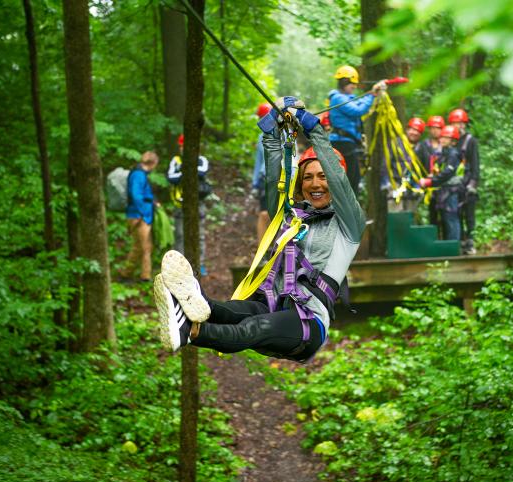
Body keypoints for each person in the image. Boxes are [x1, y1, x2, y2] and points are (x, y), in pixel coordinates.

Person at [153, 99, 366, 362]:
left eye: (323, 176)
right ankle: (187, 302)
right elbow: (272, 182)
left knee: (253, 328)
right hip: (272, 304)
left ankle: (191, 332)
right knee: (226, 310)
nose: (315, 183)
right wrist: (271, 135)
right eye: (308, 177)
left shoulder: (349, 226)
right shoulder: (293, 218)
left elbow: (339, 181)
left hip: (307, 323)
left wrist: (315, 131)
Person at [328, 65, 386, 194]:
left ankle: (349, 208)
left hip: (347, 143)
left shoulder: (345, 98)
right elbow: (357, 110)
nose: (354, 86)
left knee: (354, 178)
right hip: (342, 143)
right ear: (344, 83)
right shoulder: (338, 98)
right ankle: (347, 209)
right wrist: (371, 96)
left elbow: (358, 104)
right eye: (352, 84)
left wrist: (373, 94)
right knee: (351, 179)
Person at [167, 134, 211, 275]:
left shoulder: (201, 160)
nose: (183, 149)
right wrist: (187, 170)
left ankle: (200, 263)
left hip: (198, 203)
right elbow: (171, 177)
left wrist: (184, 169)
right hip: (180, 203)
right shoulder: (175, 160)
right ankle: (179, 265)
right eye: (181, 146)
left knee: (200, 234)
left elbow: (202, 171)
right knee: (180, 234)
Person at [419, 125, 462, 241]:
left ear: (453, 141)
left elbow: (447, 173)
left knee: (451, 218)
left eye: (446, 138)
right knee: (445, 219)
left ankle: (453, 246)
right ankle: (448, 245)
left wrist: (430, 181)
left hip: (451, 191)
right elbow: (441, 170)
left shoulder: (453, 154)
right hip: (444, 191)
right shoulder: (445, 154)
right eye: (442, 137)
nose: (442, 139)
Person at [123, 151, 159, 282]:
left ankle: (129, 273)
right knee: (145, 247)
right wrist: (142, 214)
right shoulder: (138, 175)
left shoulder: (140, 174)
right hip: (138, 216)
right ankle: (144, 277)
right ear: (153, 163)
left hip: (140, 214)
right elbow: (136, 195)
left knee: (140, 246)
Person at [449, 108, 480, 255]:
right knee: (456, 213)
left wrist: (473, 184)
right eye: (456, 123)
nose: (459, 126)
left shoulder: (470, 141)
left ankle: (470, 241)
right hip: (454, 183)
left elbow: (475, 163)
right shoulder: (450, 141)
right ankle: (460, 241)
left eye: (461, 123)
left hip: (467, 182)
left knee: (469, 214)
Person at [252, 103, 271, 242]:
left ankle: (282, 251)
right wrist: (254, 183)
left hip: (281, 178)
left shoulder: (283, 134)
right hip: (264, 180)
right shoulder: (261, 137)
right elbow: (259, 161)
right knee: (264, 214)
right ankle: (262, 252)